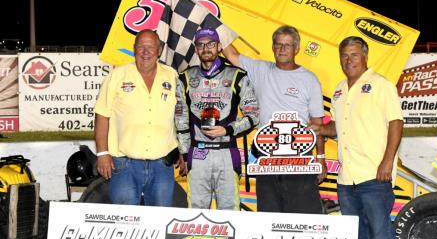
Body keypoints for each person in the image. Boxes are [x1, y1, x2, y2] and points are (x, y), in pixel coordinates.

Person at [308, 36, 404, 239]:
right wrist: (319, 129)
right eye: (344, 56)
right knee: (357, 232)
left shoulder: (382, 85)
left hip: (374, 174)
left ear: (365, 56)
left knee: (380, 233)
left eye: (353, 55)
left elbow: (396, 123)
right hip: (346, 177)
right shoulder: (339, 90)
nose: (348, 60)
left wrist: (387, 162)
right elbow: (338, 129)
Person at [222, 25, 326, 214]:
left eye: (287, 45)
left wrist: (320, 159)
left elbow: (318, 124)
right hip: (266, 157)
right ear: (272, 47)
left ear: (297, 48)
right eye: (278, 44)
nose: (282, 49)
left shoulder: (309, 79)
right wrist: (215, 26)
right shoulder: (260, 69)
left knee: (304, 217)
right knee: (269, 215)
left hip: (299, 158)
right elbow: (231, 55)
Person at [94, 29, 181, 206]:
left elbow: (181, 116)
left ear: (159, 50)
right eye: (141, 47)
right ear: (134, 49)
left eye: (151, 47)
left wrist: (184, 150)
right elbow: (102, 114)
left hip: (162, 165)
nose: (145, 51)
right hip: (124, 164)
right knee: (126, 222)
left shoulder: (172, 77)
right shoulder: (117, 75)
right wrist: (102, 153)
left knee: (160, 220)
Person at [175, 28, 259, 210]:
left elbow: (254, 116)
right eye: (201, 44)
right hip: (198, 153)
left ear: (219, 46)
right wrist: (183, 152)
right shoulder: (185, 78)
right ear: (196, 49)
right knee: (196, 210)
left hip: (226, 152)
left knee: (230, 211)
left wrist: (227, 130)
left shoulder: (238, 76)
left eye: (211, 44)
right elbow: (180, 119)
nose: (206, 48)